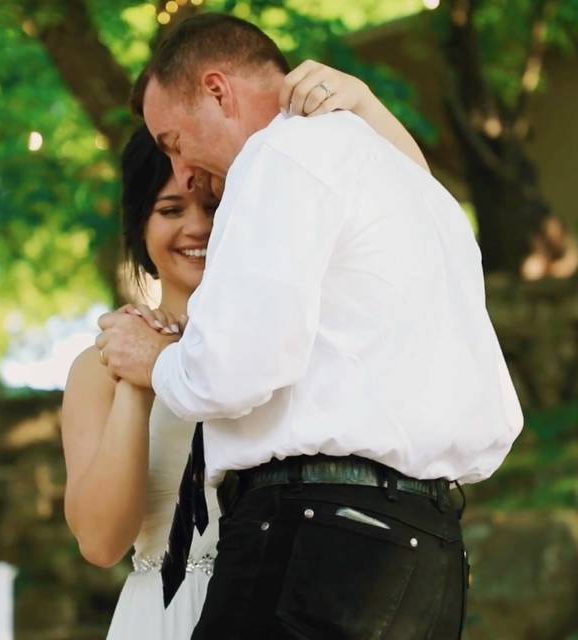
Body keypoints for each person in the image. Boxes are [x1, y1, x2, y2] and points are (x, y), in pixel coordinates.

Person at [95, 13, 522, 639]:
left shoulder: (278, 154)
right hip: (430, 553)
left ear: (218, 91)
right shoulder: (416, 187)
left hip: (314, 544)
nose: (182, 170)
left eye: (172, 141)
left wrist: (150, 360)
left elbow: (236, 370)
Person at [62, 58, 434, 639]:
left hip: (297, 589)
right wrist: (140, 378)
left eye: (213, 206)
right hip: (163, 614)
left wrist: (364, 103)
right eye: (169, 210)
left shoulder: (285, 331)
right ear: (139, 227)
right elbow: (102, 541)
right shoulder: (97, 368)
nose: (196, 228)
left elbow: (418, 217)